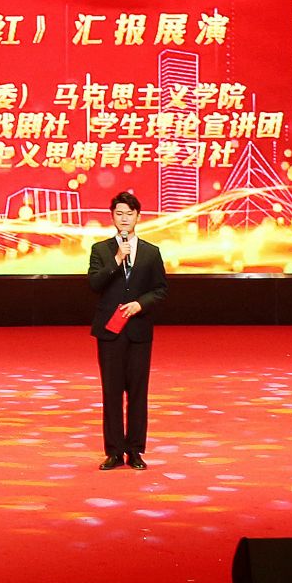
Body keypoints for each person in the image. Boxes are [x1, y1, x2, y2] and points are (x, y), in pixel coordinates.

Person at [87, 190, 167, 469]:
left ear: (138, 217)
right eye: (119, 213)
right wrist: (117, 259)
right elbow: (94, 284)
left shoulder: (151, 252)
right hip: (110, 331)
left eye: (129, 214)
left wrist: (140, 304)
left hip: (139, 330)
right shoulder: (101, 250)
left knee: (137, 393)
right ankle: (114, 451)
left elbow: (161, 289)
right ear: (112, 217)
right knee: (111, 393)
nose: (124, 218)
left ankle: (135, 450)